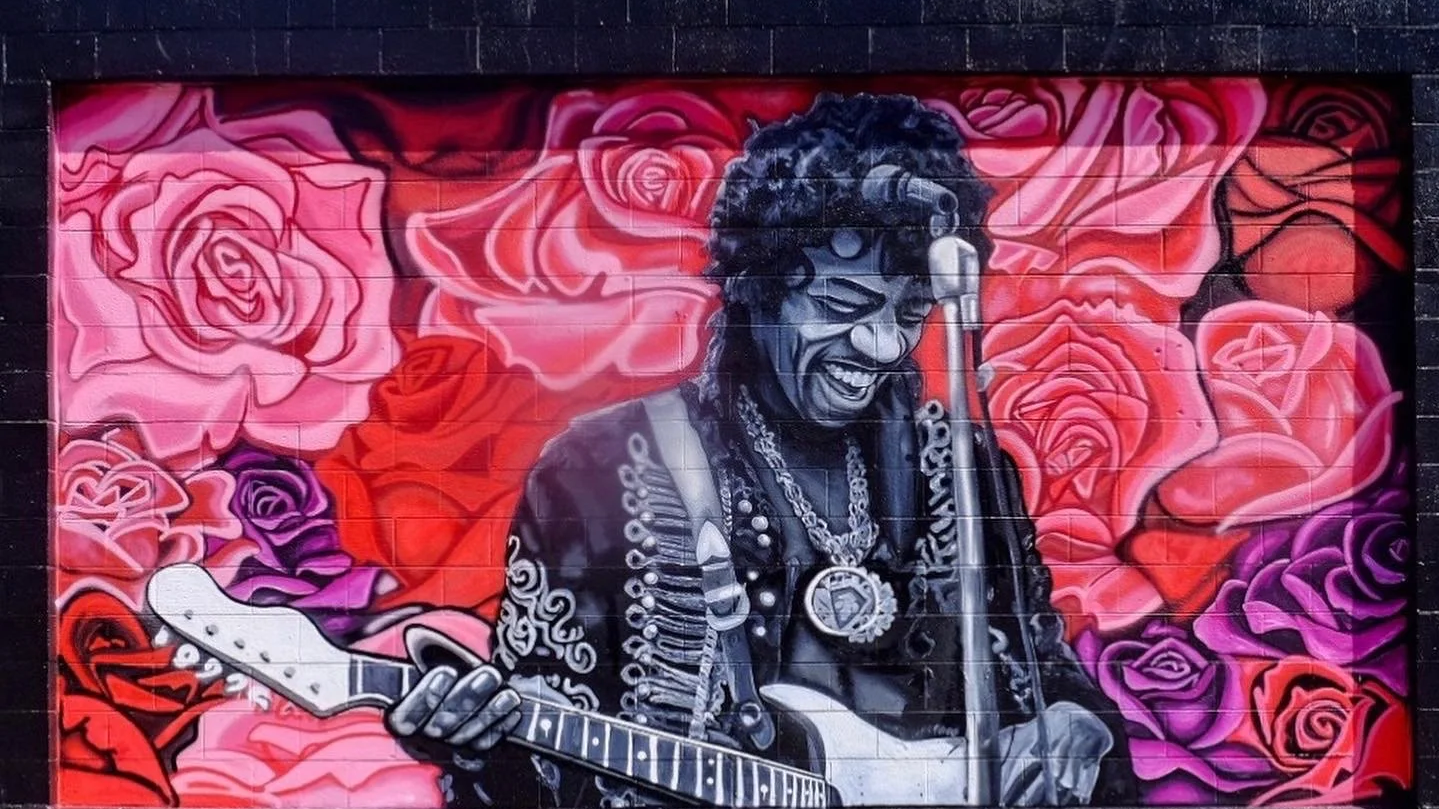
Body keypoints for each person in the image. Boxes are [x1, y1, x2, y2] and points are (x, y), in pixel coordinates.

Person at [385, 93, 1136, 807]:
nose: (881, 346)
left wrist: (1077, 723)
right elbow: (544, 760)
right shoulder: (595, 473)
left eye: (909, 313)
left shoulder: (961, 468)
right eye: (842, 307)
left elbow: (1040, 668)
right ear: (757, 288)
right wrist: (481, 745)